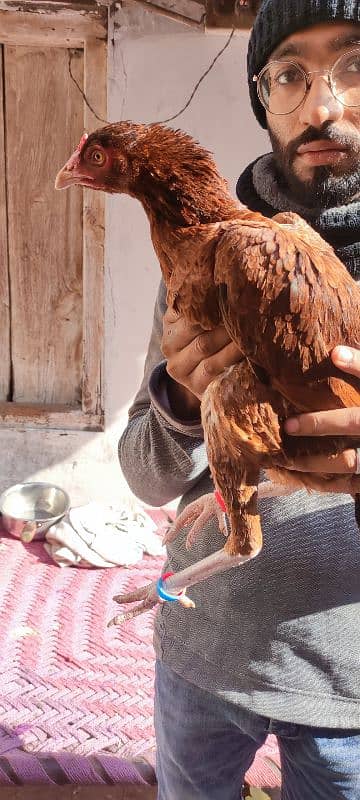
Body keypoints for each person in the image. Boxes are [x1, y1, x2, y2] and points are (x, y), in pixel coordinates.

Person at [119, 1, 360, 797]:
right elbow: (146, 477)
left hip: (348, 688)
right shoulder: (200, 253)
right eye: (291, 73)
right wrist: (178, 402)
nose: (322, 104)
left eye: (355, 65)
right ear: (264, 97)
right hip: (202, 655)